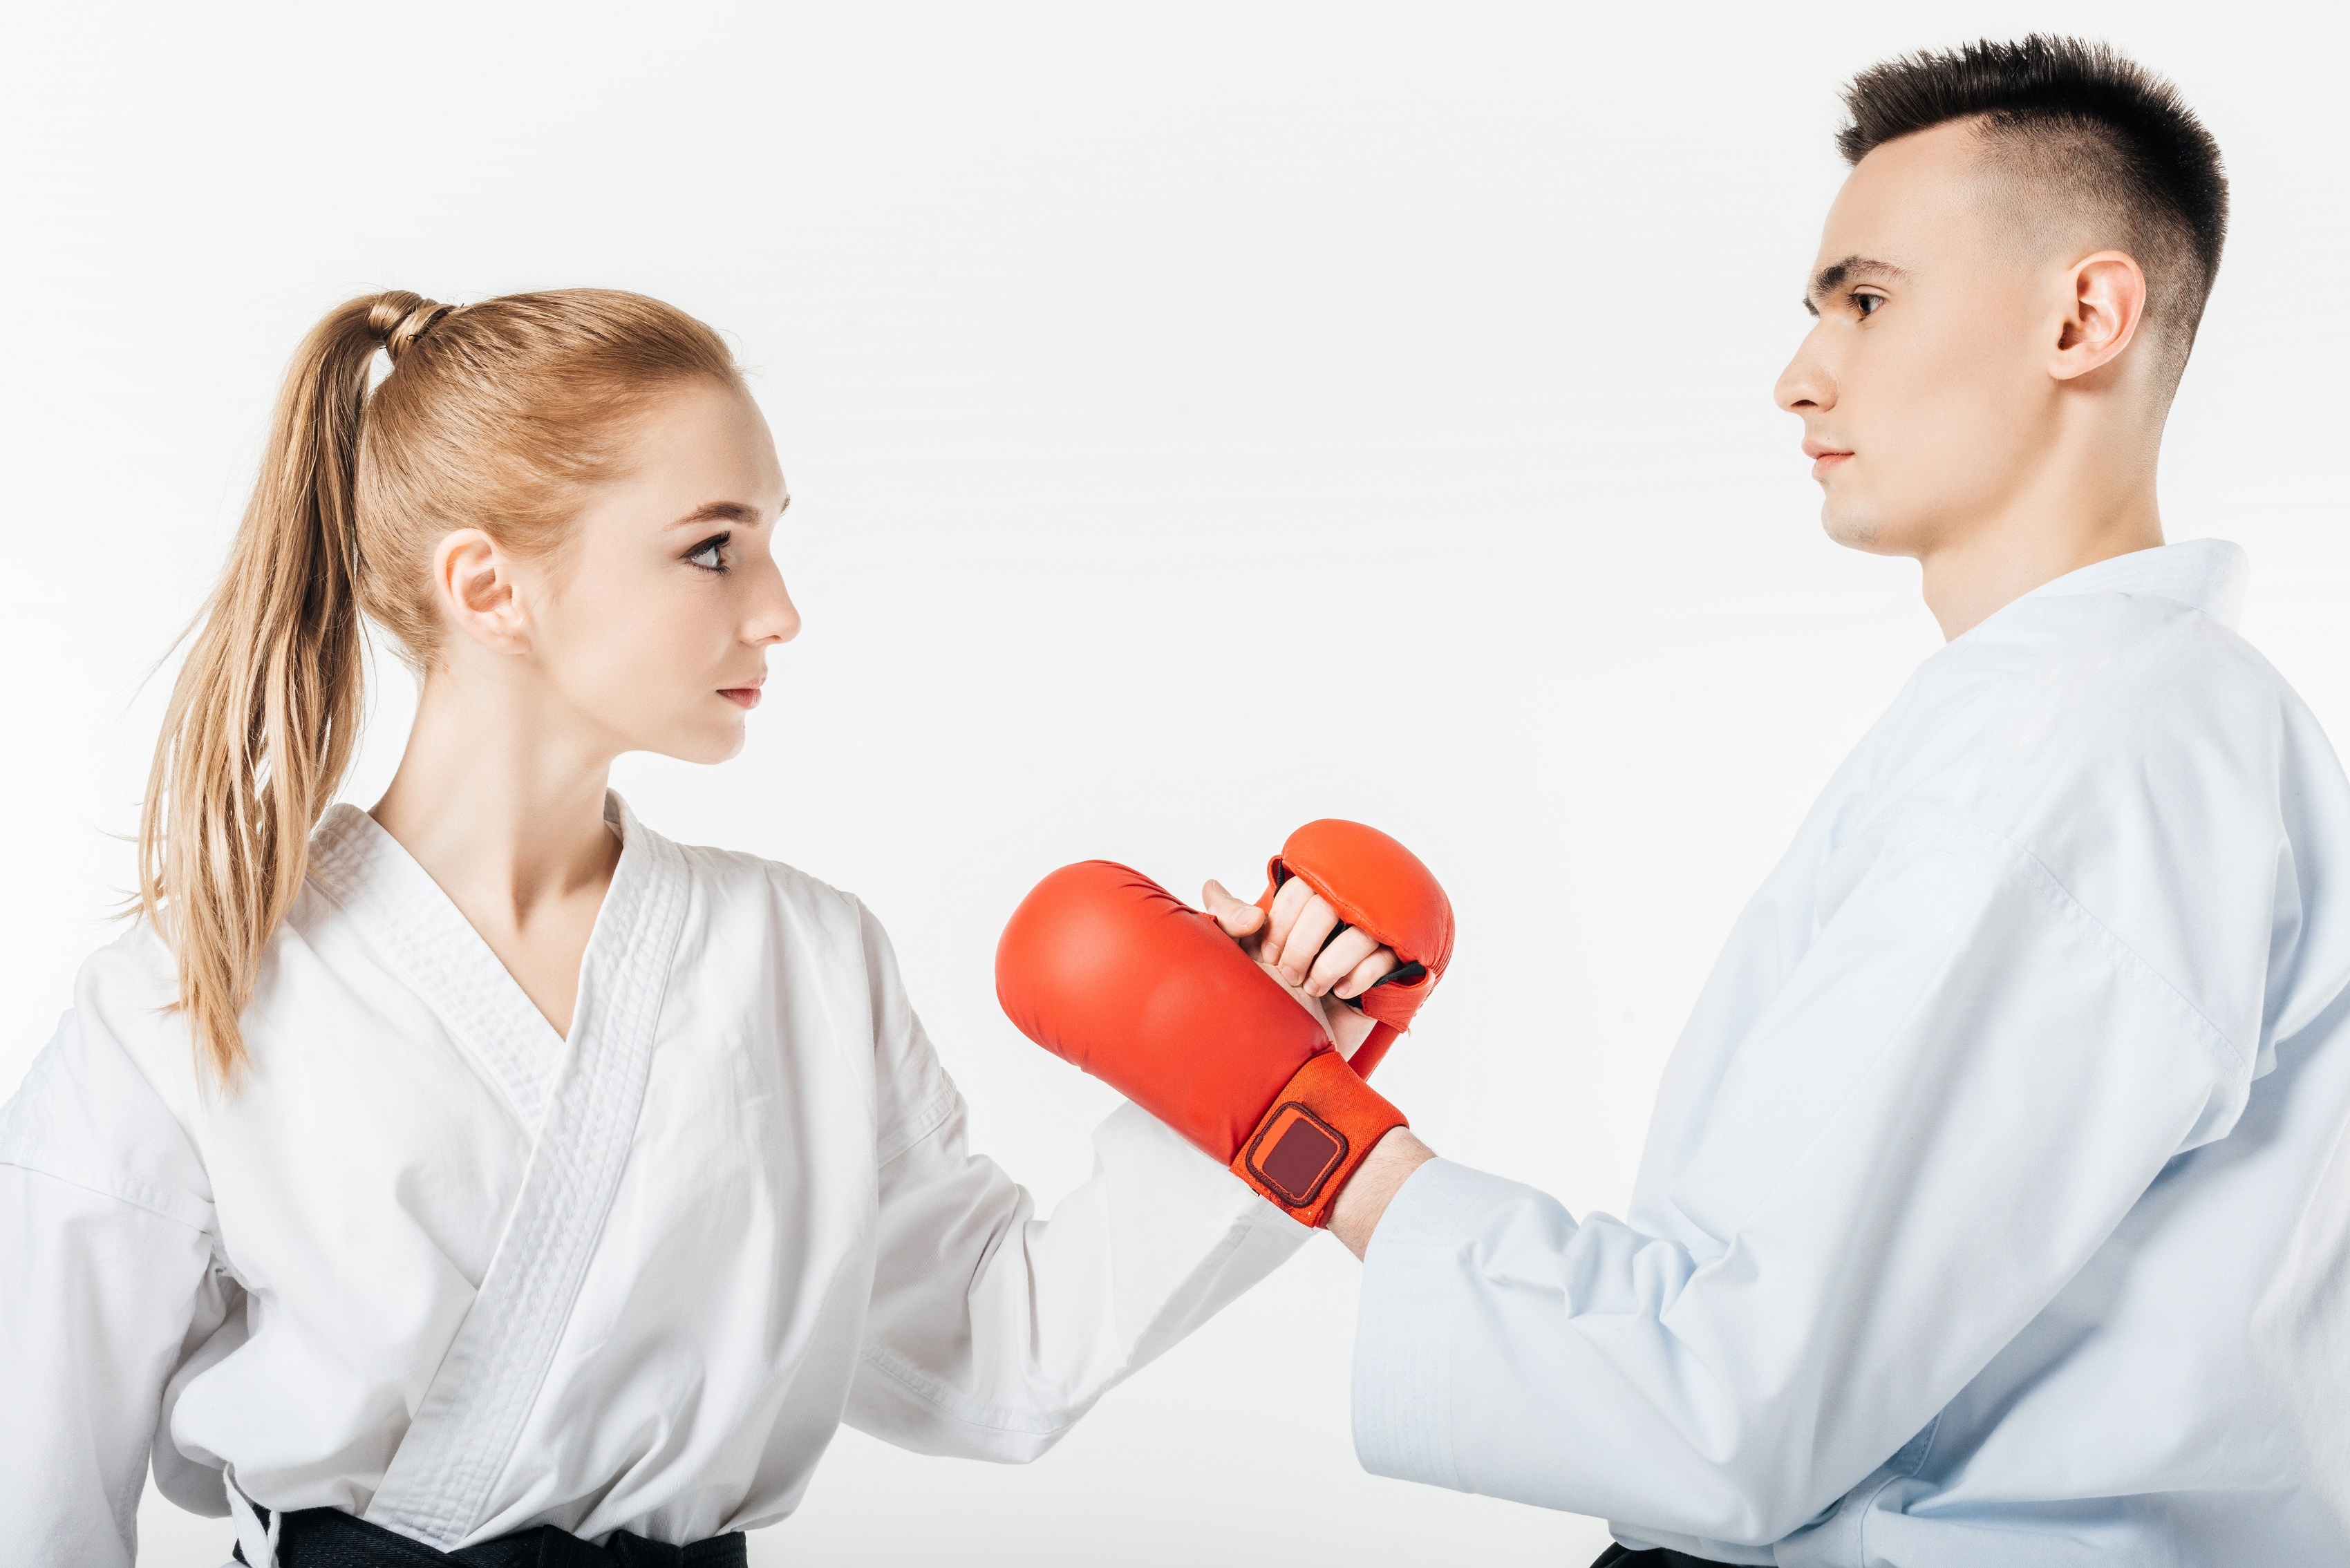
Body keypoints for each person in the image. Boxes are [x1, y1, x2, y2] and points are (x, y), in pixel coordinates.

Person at [0, 289, 1407, 1567]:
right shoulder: (190, 994)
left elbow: (991, 1358)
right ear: (489, 587)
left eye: (771, 543)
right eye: (713, 551)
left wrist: (1258, 1073)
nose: (780, 609)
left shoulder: (803, 960)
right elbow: (39, 1504)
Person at [1204, 35, 2350, 1566]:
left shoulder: (2079, 748)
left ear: (2082, 314)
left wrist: (1310, 1135)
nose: (1799, 373)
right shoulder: (2125, 723)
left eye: (1864, 301)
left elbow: (1729, 1406)